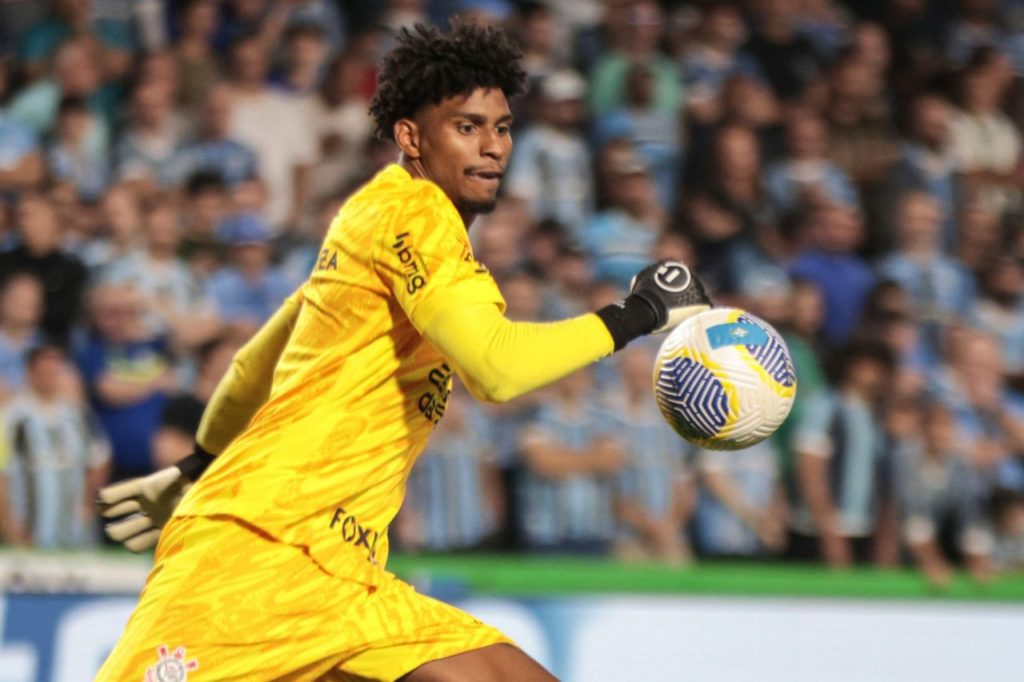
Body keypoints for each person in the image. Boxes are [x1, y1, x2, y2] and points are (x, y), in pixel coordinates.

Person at [95, 22, 711, 681]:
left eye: (502, 128)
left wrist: (198, 465)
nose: (492, 146)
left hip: (338, 570)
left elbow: (255, 366)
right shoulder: (414, 213)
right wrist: (638, 313)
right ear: (411, 137)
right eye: (466, 126)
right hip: (256, 555)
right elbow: (496, 368)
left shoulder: (376, 221)